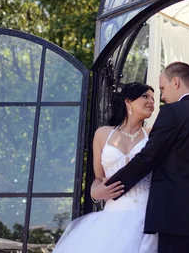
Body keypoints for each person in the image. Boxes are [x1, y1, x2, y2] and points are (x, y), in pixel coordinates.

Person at [106, 61, 189, 253]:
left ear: (175, 82)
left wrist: (111, 187)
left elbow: (148, 157)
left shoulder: (173, 112)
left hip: (176, 222)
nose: (163, 97)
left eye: (162, 89)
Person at [53, 82, 159, 253]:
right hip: (111, 221)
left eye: (154, 99)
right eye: (145, 96)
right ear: (128, 101)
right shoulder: (103, 134)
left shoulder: (153, 134)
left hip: (146, 219)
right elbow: (98, 178)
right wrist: (95, 193)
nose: (151, 102)